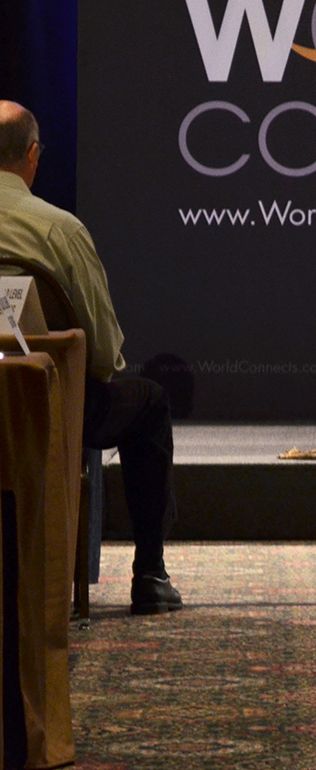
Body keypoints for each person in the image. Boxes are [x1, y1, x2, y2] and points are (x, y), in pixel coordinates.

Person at [0, 101, 180, 614]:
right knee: (149, 401)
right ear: (33, 155)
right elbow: (101, 356)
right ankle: (149, 575)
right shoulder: (59, 230)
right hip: (45, 406)